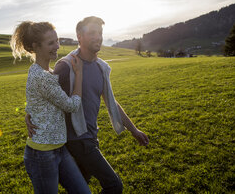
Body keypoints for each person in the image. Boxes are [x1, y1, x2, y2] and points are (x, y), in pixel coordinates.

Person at [26, 16, 149, 194]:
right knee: (114, 186)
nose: (97, 37)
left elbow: (110, 101)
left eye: (100, 33)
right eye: (92, 33)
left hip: (91, 136)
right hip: (77, 141)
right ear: (79, 37)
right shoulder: (67, 66)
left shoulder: (101, 67)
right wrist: (30, 114)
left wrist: (134, 130)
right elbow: (44, 96)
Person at [10, 21, 91, 194]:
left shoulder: (41, 71)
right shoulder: (42, 77)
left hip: (59, 149)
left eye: (57, 40)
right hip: (42, 155)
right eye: (51, 43)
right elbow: (72, 106)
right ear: (35, 47)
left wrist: (28, 113)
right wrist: (79, 74)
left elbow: (35, 99)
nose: (57, 46)